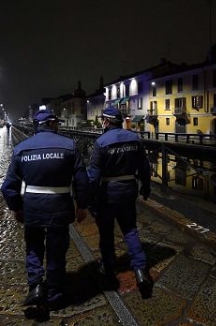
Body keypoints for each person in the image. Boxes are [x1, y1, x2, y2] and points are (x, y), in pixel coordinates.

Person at [0, 108, 90, 312]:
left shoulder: (22, 149)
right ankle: (55, 293)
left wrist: (17, 208)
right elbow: (82, 181)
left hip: (32, 208)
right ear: (50, 123)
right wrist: (82, 205)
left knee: (33, 248)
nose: (58, 125)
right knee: (56, 251)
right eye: (56, 122)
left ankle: (36, 286)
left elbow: (8, 187)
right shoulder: (70, 146)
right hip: (60, 207)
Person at [87, 106, 153, 299]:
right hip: (129, 189)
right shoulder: (135, 138)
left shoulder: (101, 142)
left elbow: (93, 176)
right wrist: (146, 186)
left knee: (106, 231)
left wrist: (90, 199)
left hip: (108, 193)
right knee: (130, 229)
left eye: (103, 120)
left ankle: (108, 266)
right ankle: (140, 270)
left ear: (107, 121)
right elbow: (144, 167)